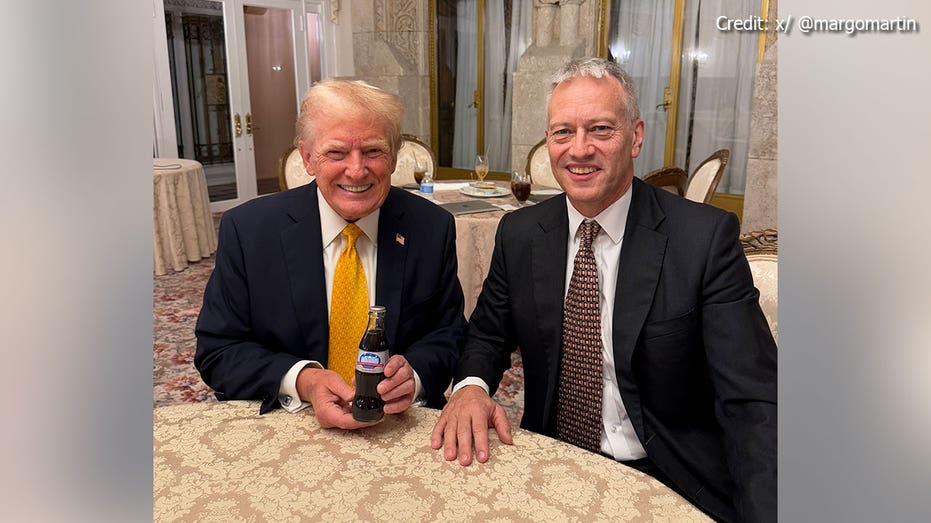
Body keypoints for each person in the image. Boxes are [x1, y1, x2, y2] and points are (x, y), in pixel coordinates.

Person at [430, 58, 776, 522]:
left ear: (635, 137)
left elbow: (753, 399)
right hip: (552, 463)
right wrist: (471, 387)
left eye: (600, 130)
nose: (579, 150)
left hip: (669, 475)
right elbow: (487, 335)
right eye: (562, 133)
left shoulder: (703, 240)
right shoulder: (521, 233)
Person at [195, 79, 467, 429]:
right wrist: (303, 381)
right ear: (308, 158)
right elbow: (218, 350)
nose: (356, 170)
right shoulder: (249, 231)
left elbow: (449, 335)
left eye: (372, 151)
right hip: (287, 423)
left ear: (395, 156)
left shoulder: (431, 228)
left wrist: (414, 375)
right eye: (336, 153)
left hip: (397, 426)